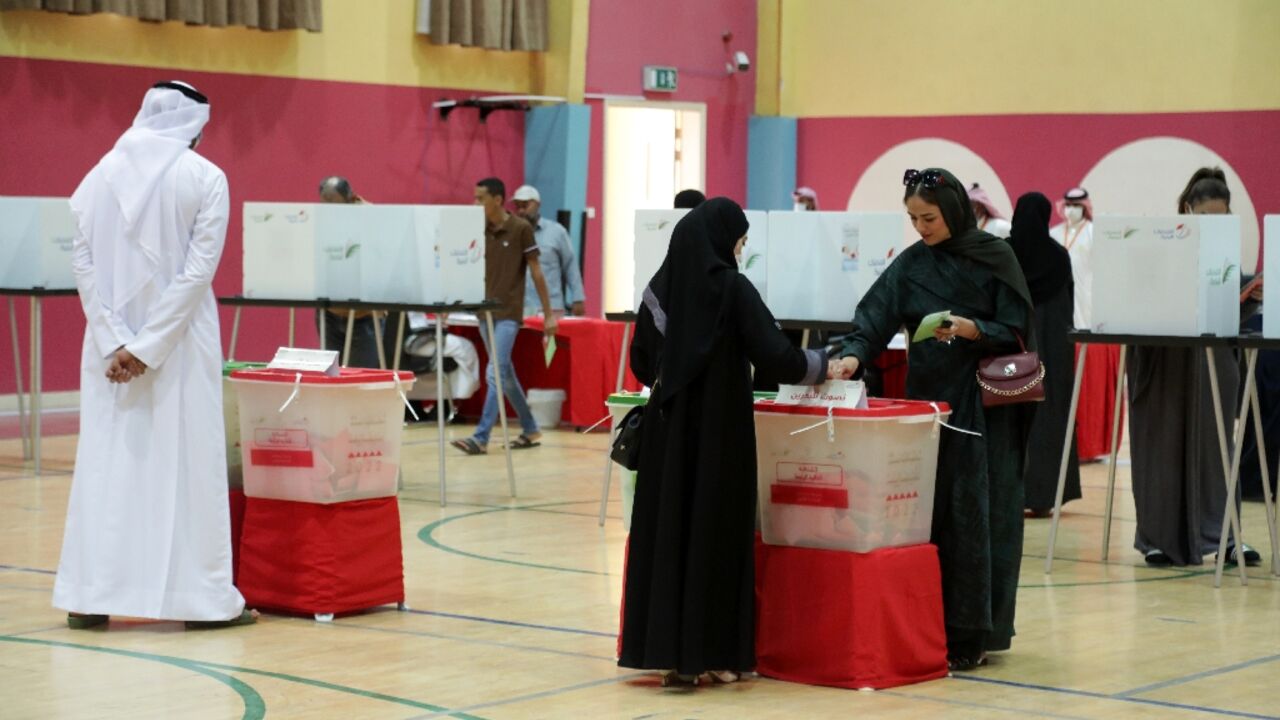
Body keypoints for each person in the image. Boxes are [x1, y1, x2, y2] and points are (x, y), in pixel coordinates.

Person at [54, 81, 254, 630]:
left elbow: (83, 266)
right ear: (194, 126)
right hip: (181, 344)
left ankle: (88, 599)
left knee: (105, 464)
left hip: (108, 354)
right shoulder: (206, 177)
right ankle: (201, 603)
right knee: (187, 467)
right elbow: (197, 273)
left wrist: (116, 341)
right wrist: (148, 348)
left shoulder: (96, 178)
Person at [830, 168, 1034, 671]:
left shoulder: (996, 256)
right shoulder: (911, 265)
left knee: (979, 515)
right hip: (929, 407)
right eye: (914, 219)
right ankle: (929, 624)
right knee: (929, 514)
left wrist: (971, 328)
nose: (921, 228)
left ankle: (975, 631)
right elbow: (872, 318)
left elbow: (1016, 329)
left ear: (955, 212)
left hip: (986, 406)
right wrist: (853, 356)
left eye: (929, 218)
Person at [619, 198, 826, 687]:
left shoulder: (659, 289)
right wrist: (822, 365)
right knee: (715, 534)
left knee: (670, 532)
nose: (739, 250)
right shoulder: (734, 289)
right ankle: (712, 654)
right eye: (739, 241)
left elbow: (641, 363)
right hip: (721, 433)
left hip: (668, 433)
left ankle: (670, 656)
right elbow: (778, 358)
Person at [1127, 168, 1262, 567]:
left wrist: (1251, 297)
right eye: (1205, 216)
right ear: (1188, 209)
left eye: (1221, 217)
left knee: (1218, 450)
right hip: (1164, 361)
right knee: (1161, 447)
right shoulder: (1162, 243)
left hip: (1212, 363)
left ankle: (1226, 537)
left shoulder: (1226, 253)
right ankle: (1157, 539)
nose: (1213, 225)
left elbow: (1227, 310)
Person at [450, 177, 558, 454]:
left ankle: (481, 437)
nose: (475, 203)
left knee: (495, 372)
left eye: (480, 198)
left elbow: (537, 272)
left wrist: (549, 314)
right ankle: (530, 427)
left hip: (508, 313)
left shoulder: (521, 229)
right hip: (483, 313)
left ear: (497, 200)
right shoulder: (478, 230)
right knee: (504, 374)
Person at [1008, 192, 1080, 516]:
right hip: (1053, 351)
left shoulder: (1006, 254)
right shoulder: (1058, 258)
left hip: (1012, 351)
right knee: (1050, 418)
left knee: (1011, 419)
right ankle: (1047, 495)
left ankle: (1011, 492)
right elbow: (1068, 306)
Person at [316, 175, 384, 368]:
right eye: (325, 205)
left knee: (360, 377)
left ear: (351, 198)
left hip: (365, 315)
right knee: (330, 375)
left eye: (335, 205)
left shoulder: (373, 218)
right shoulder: (320, 218)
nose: (330, 211)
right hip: (330, 312)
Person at [513, 184, 586, 318]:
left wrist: (578, 298)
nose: (521, 211)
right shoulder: (512, 234)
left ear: (538, 204)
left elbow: (570, 265)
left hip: (552, 308)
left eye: (525, 205)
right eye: (518, 207)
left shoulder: (557, 232)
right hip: (520, 308)